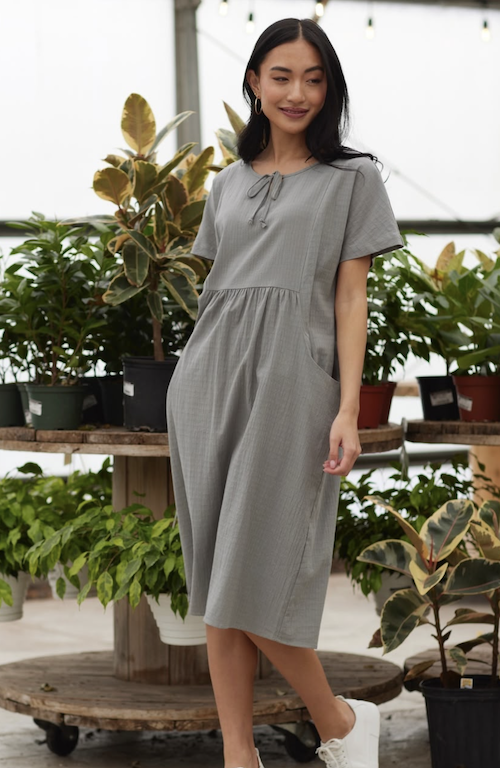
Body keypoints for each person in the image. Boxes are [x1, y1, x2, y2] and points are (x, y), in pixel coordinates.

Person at [166, 17, 403, 768]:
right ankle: (240, 755)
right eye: (281, 76)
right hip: (206, 383)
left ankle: (337, 720)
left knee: (251, 571)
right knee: (213, 581)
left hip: (294, 383)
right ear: (254, 83)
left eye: (313, 78)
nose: (297, 92)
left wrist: (346, 408)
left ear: (328, 88)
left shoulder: (352, 178)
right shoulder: (227, 184)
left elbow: (351, 298)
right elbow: (219, 291)